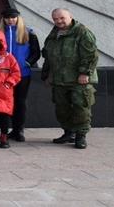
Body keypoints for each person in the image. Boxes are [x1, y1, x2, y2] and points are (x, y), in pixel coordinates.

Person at [41, 8, 98, 149]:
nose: (59, 21)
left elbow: (90, 55)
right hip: (59, 79)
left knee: (81, 108)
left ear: (70, 16)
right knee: (62, 108)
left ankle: (80, 136)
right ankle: (69, 132)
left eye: (62, 18)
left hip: (79, 79)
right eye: (55, 19)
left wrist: (85, 73)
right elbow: (48, 56)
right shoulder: (54, 34)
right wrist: (47, 75)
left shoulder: (82, 32)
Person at [0, 7, 41, 141]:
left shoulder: (28, 33)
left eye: (13, 17)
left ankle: (18, 130)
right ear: (3, 19)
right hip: (3, 74)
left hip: (22, 74)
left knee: (20, 102)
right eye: (7, 18)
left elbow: (36, 52)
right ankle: (6, 130)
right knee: (4, 102)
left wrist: (27, 63)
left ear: (18, 18)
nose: (10, 20)